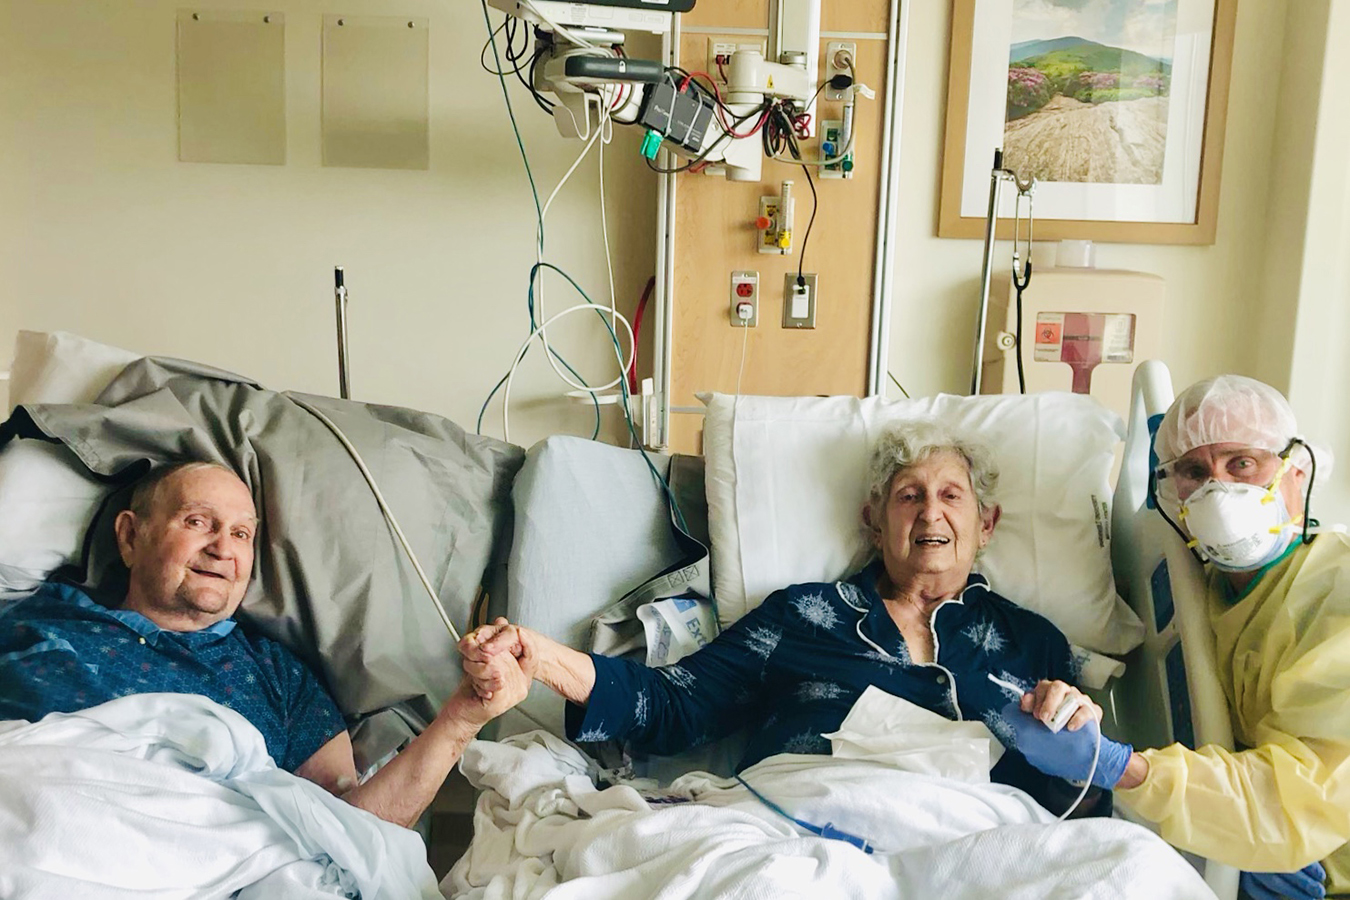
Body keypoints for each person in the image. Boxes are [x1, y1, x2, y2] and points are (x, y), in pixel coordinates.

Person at [461, 420, 1116, 815]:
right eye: (908, 496)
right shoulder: (803, 615)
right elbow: (675, 703)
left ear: (987, 523)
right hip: (802, 826)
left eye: (952, 496)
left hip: (969, 841)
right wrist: (543, 657)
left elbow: (1077, 806)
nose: (930, 512)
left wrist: (1080, 748)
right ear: (874, 522)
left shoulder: (1032, 641)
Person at [0, 460, 530, 829]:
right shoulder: (38, 620)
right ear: (130, 536)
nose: (222, 548)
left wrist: (463, 716)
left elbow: (352, 832)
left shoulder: (278, 676)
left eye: (241, 534)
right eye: (197, 522)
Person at [1010, 375, 1347, 900]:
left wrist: (1126, 769)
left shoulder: (1336, 595)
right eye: (1194, 471)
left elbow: (1307, 800)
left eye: (1241, 463)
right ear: (1171, 491)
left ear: (1296, 475)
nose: (1218, 490)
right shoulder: (1203, 586)